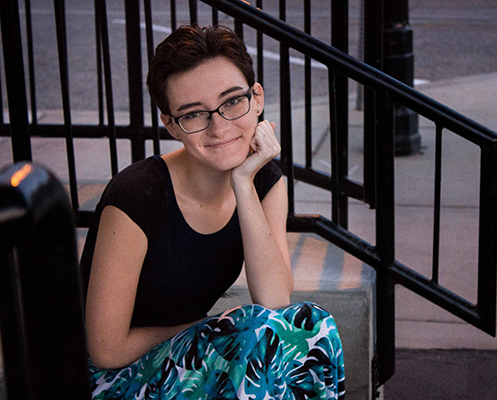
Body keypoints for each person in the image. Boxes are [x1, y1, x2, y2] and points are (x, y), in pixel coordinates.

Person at [79, 24, 345, 399]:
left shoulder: (264, 180)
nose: (219, 127)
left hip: (185, 361)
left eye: (233, 101)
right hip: (109, 381)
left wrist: (243, 182)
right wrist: (207, 328)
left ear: (257, 98)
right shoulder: (138, 196)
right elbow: (105, 350)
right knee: (254, 337)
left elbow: (274, 299)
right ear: (171, 125)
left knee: (311, 325)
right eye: (193, 114)